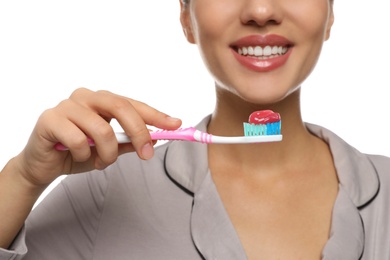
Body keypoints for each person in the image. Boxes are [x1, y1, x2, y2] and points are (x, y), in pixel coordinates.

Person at [0, 0, 389, 259]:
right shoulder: (106, 191)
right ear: (186, 17)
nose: (261, 9)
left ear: (330, 13)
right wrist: (22, 178)